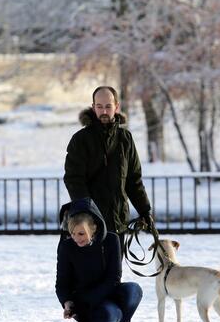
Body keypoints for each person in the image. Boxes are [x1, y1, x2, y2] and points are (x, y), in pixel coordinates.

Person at [63, 86, 154, 250]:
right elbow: (73, 180)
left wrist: (145, 211)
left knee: (114, 274)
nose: (104, 111)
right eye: (99, 106)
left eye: (108, 106)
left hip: (118, 222)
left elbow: (134, 180)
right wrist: (88, 213)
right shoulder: (80, 140)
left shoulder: (125, 139)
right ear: (93, 107)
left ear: (116, 107)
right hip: (89, 225)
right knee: (90, 274)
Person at [55, 198, 143, 322]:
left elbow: (113, 278)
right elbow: (62, 283)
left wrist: (92, 299)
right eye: (73, 233)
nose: (76, 238)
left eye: (81, 233)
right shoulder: (67, 246)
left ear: (94, 228)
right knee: (113, 314)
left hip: (106, 292)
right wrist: (67, 302)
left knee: (134, 290)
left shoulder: (111, 240)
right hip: (82, 303)